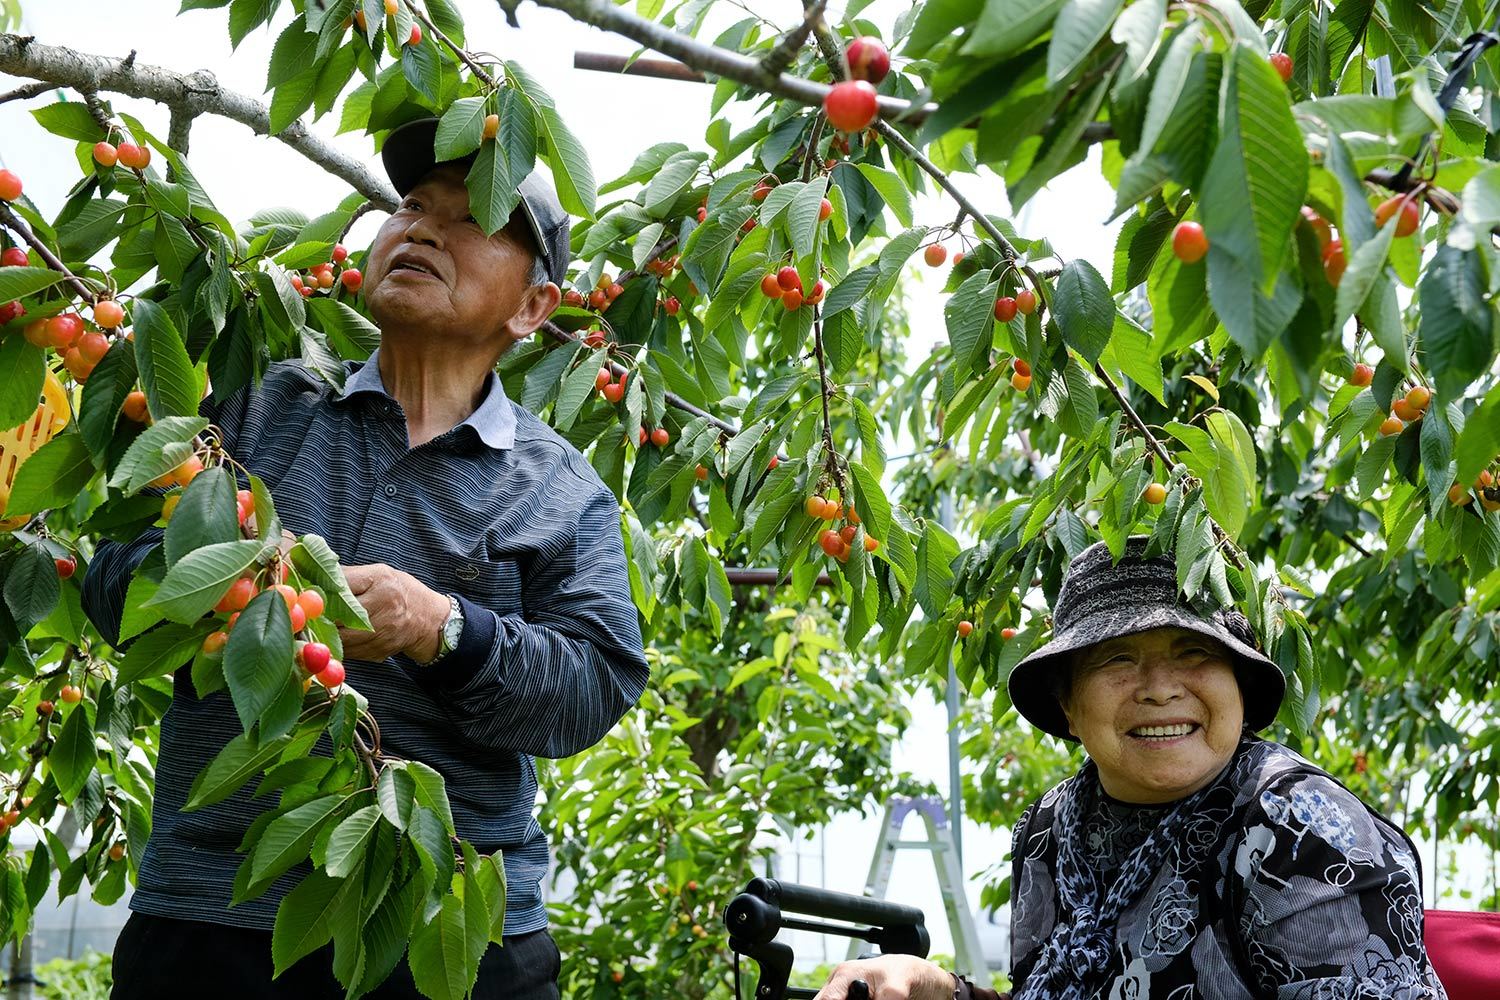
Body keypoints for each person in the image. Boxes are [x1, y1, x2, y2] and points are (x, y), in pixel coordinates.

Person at [83, 117, 650, 999]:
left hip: (446, 940)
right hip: (207, 929)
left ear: (535, 306)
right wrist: (243, 589)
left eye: (469, 219)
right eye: (413, 206)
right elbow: (111, 585)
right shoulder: (248, 412)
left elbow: (594, 687)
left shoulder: (559, 489)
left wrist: (442, 631)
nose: (422, 227)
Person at [815, 538, 1448, 999]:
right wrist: (936, 990)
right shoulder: (1049, 829)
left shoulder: (1301, 831)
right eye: (1117, 658)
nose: (1159, 689)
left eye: (1194, 651)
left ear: (1239, 686)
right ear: (1067, 706)